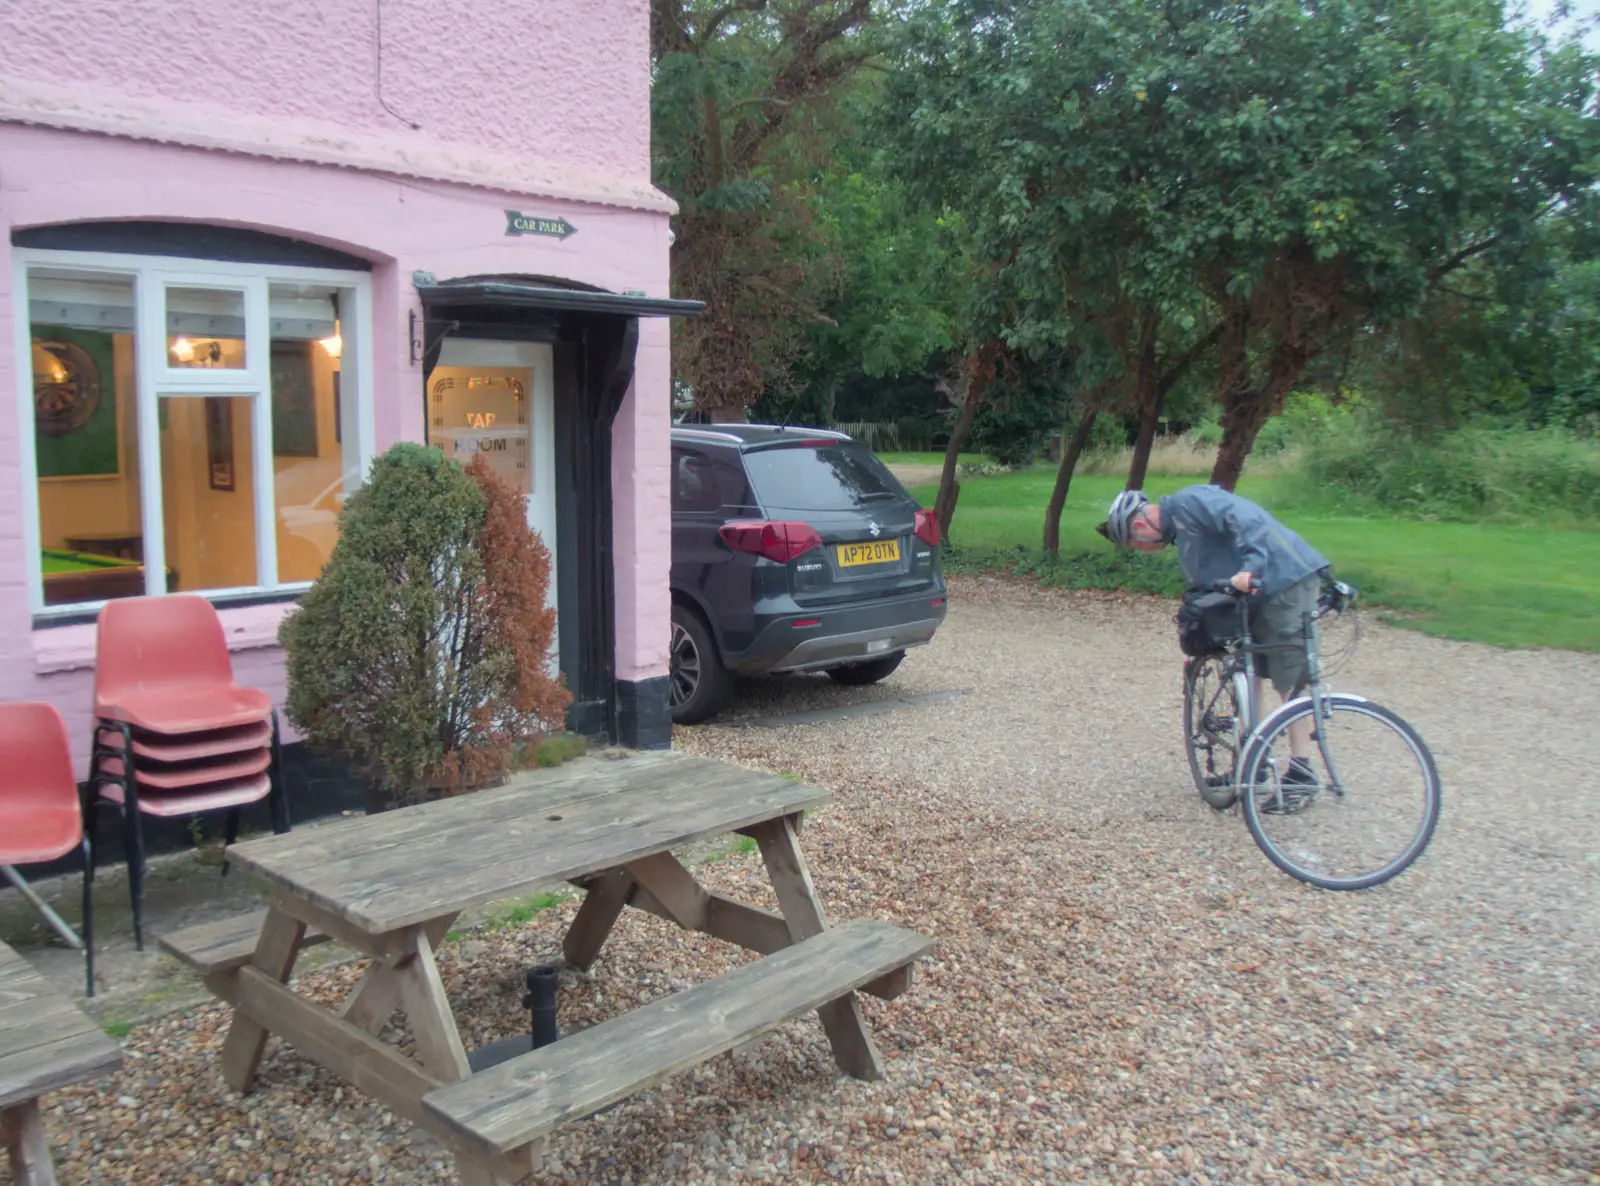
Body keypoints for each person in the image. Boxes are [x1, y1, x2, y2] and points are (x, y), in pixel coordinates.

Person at [1099, 485, 1330, 794]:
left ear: (1140, 527)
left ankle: (1302, 772)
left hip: (1284, 581)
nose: (1145, 549)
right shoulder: (1183, 537)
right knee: (1251, 676)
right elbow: (1206, 591)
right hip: (1256, 598)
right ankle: (1253, 766)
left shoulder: (1191, 503)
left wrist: (1251, 568)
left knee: (1288, 678)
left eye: (1137, 544)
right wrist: (1200, 646)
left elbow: (1246, 518)